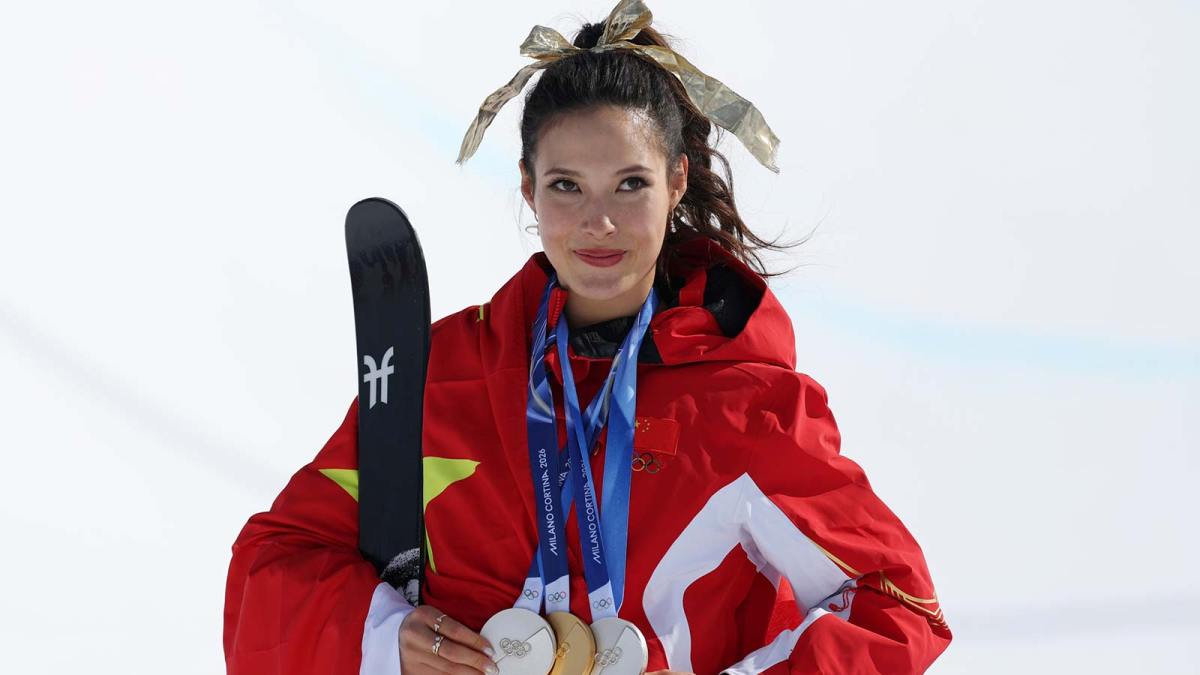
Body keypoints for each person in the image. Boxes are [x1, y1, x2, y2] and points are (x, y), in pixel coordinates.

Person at [223, 1, 952, 673]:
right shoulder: (448, 374)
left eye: (630, 184)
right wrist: (383, 639)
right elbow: (271, 568)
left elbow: (899, 605)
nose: (597, 222)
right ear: (526, 188)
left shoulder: (746, 407)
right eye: (566, 185)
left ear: (677, 180)